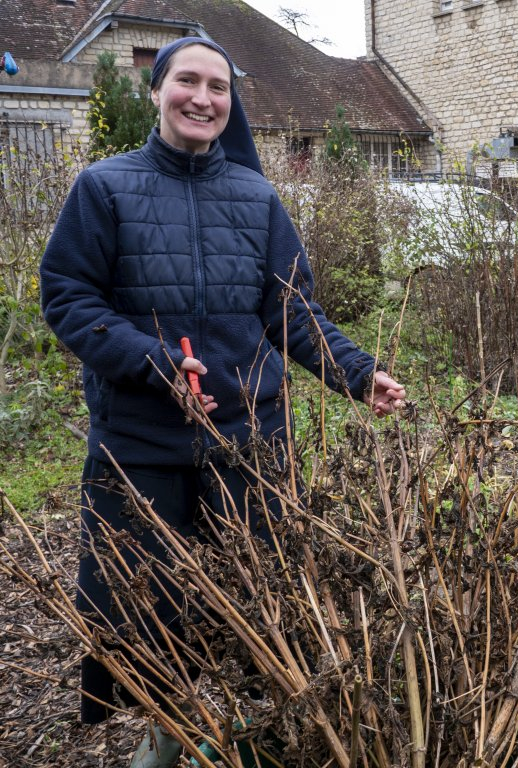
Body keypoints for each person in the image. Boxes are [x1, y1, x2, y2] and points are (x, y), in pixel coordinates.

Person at [39, 37, 406, 767]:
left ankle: (262, 726)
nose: (203, 98)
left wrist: (357, 375)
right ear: (156, 89)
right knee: (145, 603)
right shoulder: (105, 188)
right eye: (187, 82)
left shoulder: (256, 197)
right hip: (142, 442)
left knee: (261, 593)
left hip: (249, 437)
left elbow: (291, 311)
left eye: (218, 87)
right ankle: (164, 740)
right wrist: (153, 360)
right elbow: (68, 297)